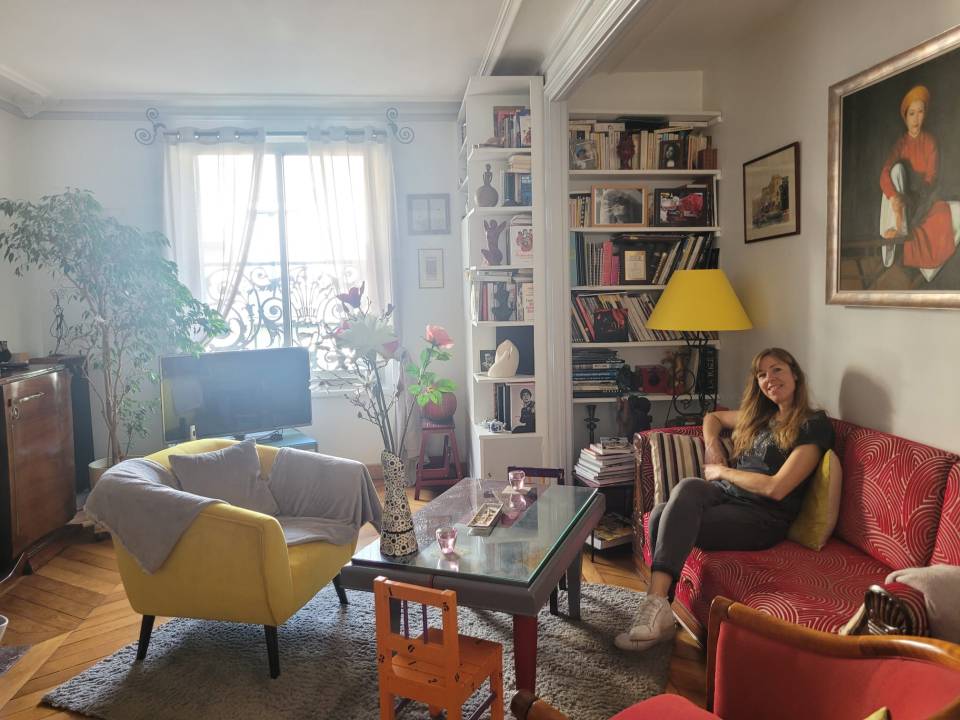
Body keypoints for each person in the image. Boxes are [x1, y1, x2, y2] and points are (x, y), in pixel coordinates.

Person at [615, 347, 834, 651]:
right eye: (762, 374)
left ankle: (656, 609)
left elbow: (776, 488)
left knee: (665, 517)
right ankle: (660, 609)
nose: (769, 378)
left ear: (795, 373)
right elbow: (713, 417)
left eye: (777, 370)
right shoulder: (761, 417)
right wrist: (712, 443)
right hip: (728, 497)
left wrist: (723, 471)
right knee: (672, 502)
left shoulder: (813, 425)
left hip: (762, 516)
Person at [878, 85, 957, 277]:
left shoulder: (930, 142)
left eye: (920, 112)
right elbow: (885, 173)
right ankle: (899, 231)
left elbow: (931, 178)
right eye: (912, 113)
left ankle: (929, 269)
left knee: (954, 211)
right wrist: (895, 196)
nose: (916, 118)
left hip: (921, 201)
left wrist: (915, 199)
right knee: (897, 169)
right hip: (898, 204)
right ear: (905, 116)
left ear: (925, 114)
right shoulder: (901, 144)